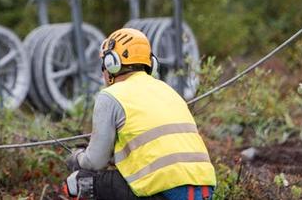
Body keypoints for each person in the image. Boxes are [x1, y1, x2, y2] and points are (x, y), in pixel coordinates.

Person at [64, 28, 216, 200]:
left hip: (165, 191)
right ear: (151, 63)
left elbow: (95, 162)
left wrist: (77, 158)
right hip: (204, 190)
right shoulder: (168, 90)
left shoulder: (111, 95)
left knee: (81, 182)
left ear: (111, 63)